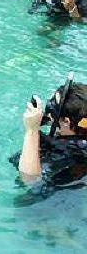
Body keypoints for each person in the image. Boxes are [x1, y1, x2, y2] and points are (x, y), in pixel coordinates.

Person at [10, 74, 87, 202]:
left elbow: (31, 180)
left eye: (53, 109)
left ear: (66, 122)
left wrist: (32, 131)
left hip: (54, 209)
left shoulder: (70, 153)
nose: (49, 115)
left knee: (22, 202)